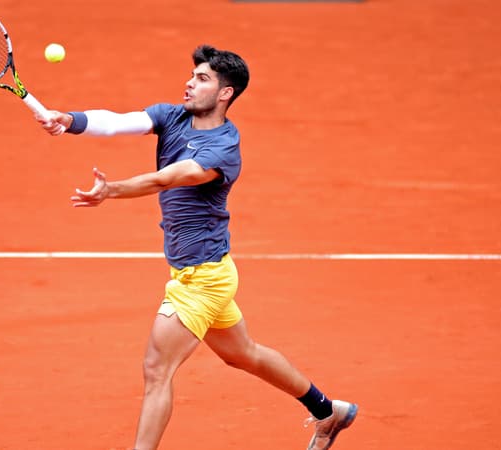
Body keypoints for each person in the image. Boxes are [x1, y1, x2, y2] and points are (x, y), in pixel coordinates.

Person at [38, 44, 357, 450]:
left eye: (202, 78)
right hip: (209, 270)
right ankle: (328, 411)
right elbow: (117, 121)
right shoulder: (172, 116)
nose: (189, 83)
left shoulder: (223, 147)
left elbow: (168, 178)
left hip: (201, 279)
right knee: (244, 354)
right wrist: (69, 120)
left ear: (225, 93)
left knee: (157, 370)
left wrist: (111, 190)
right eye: (192, 76)